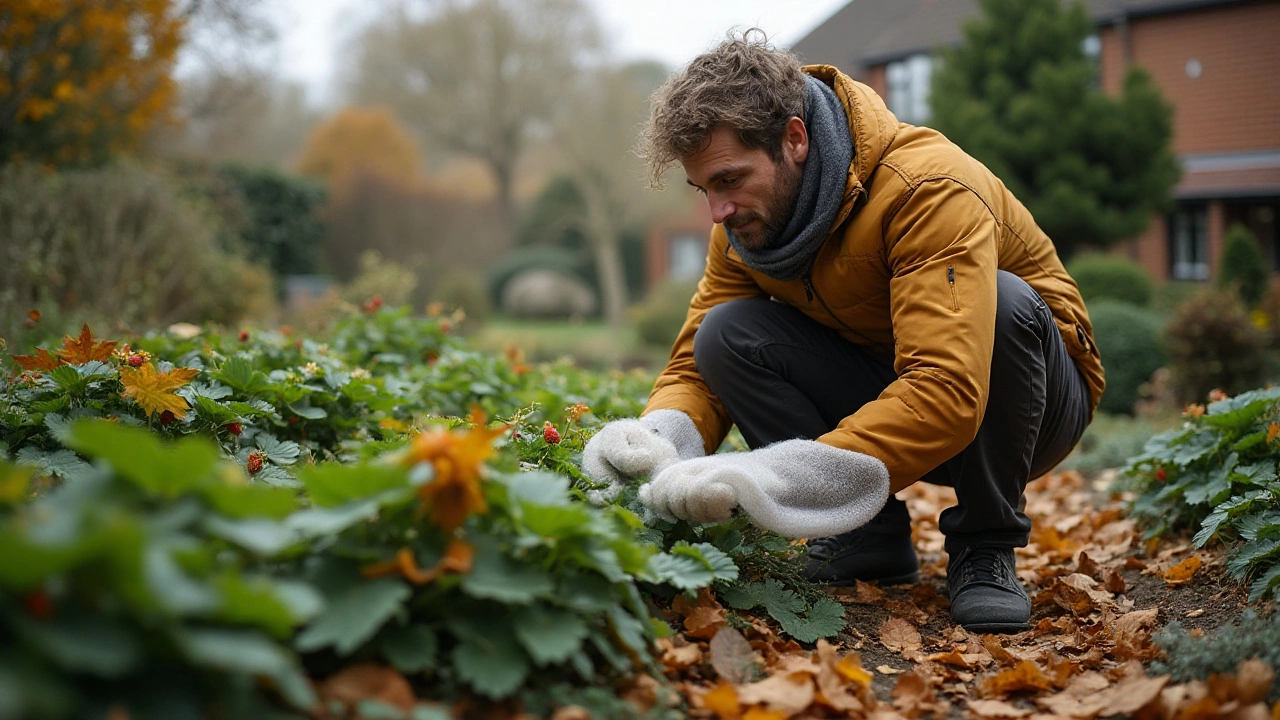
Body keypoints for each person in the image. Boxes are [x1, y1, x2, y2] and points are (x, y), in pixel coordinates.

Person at [581, 30, 1103, 634]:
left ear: (794, 139)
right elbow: (698, 365)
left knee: (1006, 304)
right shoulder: (745, 229)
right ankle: (863, 535)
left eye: (728, 179)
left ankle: (986, 545)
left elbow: (946, 389)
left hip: (1032, 405)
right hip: (892, 390)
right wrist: (657, 439)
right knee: (725, 332)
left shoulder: (925, 188)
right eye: (704, 189)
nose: (716, 211)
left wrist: (775, 475)